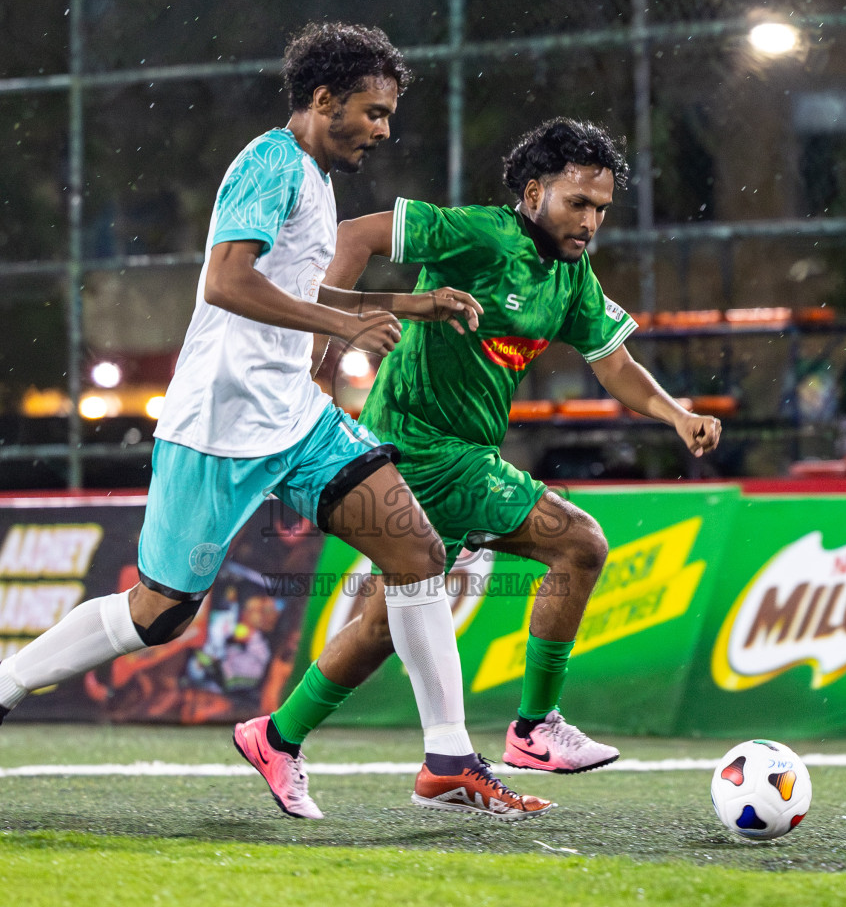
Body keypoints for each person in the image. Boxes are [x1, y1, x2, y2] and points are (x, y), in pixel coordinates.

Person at [0, 23, 553, 822]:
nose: (384, 129)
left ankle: (447, 758)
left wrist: (406, 304)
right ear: (323, 101)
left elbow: (296, 287)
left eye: (388, 114)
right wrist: (349, 328)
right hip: (217, 430)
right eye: (372, 111)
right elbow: (226, 283)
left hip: (295, 420)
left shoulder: (316, 175)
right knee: (158, 613)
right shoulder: (269, 163)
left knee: (414, 549)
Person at [240, 118, 721, 802]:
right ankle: (533, 726)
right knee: (580, 544)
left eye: (601, 209)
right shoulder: (481, 234)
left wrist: (677, 415)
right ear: (532, 194)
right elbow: (357, 236)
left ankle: (277, 736)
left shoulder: (571, 276)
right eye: (577, 204)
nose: (590, 221)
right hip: (423, 446)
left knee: (382, 624)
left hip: (447, 452)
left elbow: (614, 364)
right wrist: (321, 359)